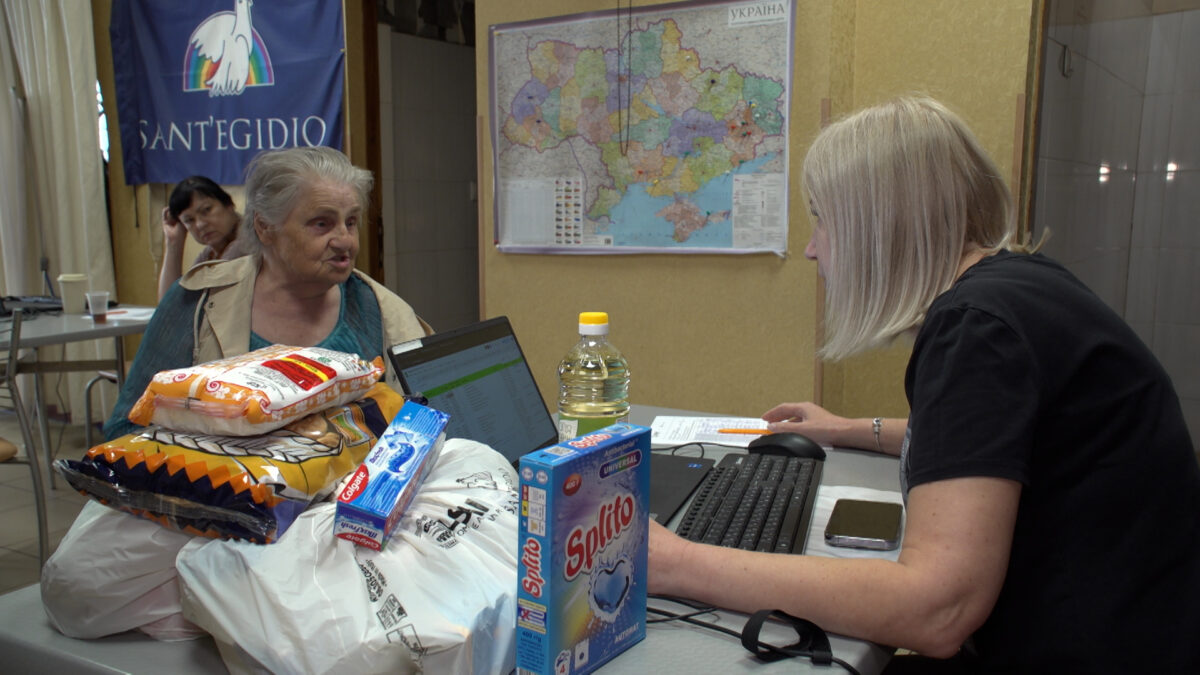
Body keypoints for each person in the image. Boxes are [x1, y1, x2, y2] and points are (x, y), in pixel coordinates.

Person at [647, 96, 1200, 673]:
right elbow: (991, 438)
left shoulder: (977, 329)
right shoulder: (1018, 286)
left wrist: (677, 563)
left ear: (876, 228)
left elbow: (936, 611)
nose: (812, 248)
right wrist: (851, 429)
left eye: (822, 218)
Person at [105, 146, 431, 441]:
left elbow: (436, 425)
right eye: (322, 224)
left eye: (351, 222)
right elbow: (126, 427)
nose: (345, 240)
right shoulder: (198, 302)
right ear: (265, 227)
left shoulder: (381, 310)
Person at [157, 175, 251, 300]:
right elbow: (168, 305)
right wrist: (173, 242)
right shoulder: (210, 253)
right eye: (189, 220)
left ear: (228, 203)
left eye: (206, 210)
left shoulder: (248, 240)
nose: (200, 224)